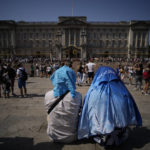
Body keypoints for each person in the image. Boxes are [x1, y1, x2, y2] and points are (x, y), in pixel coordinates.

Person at [78, 66, 142, 147]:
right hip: (120, 130)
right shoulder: (123, 91)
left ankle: (104, 134)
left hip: (98, 131)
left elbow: (86, 112)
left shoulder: (93, 91)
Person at [44, 65, 82, 143]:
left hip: (53, 136)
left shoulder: (48, 95)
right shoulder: (77, 96)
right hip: (72, 136)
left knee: (49, 115)